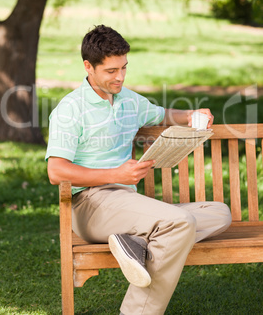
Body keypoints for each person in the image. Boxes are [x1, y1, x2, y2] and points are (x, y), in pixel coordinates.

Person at [46, 25, 232, 315]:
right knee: (181, 223)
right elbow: (56, 171)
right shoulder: (70, 109)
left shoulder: (130, 101)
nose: (119, 76)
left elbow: (163, 114)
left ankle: (135, 243)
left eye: (124, 68)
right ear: (88, 67)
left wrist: (190, 115)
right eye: (110, 71)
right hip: (90, 205)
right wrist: (115, 176)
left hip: (126, 203)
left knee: (220, 213)